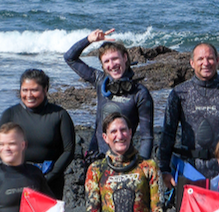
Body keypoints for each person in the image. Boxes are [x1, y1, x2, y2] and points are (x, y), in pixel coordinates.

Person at [159, 43, 219, 185]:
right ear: (192, 63)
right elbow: (168, 134)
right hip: (188, 170)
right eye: (200, 59)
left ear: (217, 61)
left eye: (210, 58)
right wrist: (164, 169)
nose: (206, 63)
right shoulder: (179, 93)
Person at [64, 29, 154, 158]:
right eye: (106, 61)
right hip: (97, 156)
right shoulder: (100, 81)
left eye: (115, 59)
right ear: (102, 65)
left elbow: (147, 137)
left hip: (124, 158)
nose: (112, 65)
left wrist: (144, 166)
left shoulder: (140, 93)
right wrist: (89, 40)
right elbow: (70, 58)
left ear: (125, 57)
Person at [0, 69, 75, 199]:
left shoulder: (59, 115)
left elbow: (69, 150)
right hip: (17, 180)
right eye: (25, 90)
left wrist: (47, 177)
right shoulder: (10, 114)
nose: (29, 95)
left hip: (50, 181)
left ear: (45, 90)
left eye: (34, 90)